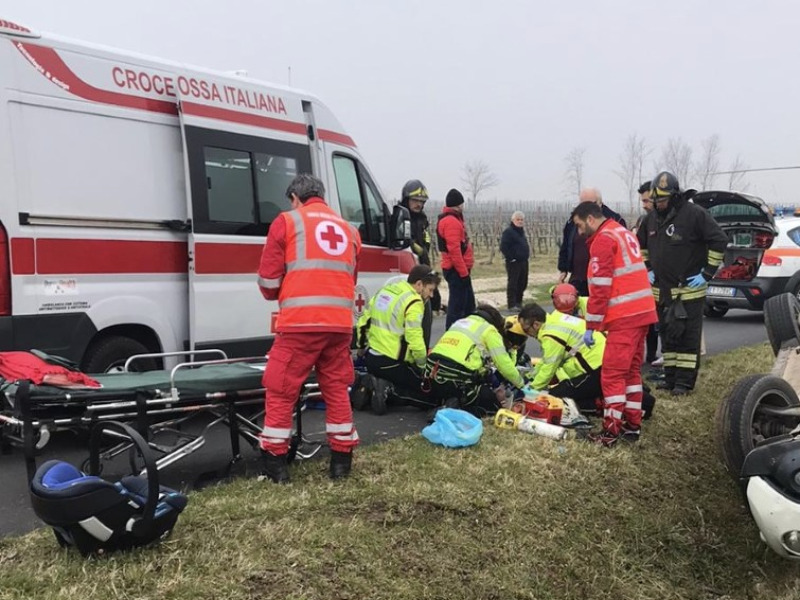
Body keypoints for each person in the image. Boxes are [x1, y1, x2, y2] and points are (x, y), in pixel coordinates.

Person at [256, 173, 361, 483]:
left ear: (294, 198)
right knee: (336, 389)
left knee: (281, 389)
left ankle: (276, 462)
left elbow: (268, 282)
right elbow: (348, 278)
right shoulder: (349, 230)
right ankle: (341, 461)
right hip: (340, 325)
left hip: (300, 323)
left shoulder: (287, 222)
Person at [572, 201, 657, 446]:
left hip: (624, 317)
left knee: (611, 375)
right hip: (642, 313)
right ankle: (632, 426)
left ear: (590, 219)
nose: (579, 232)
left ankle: (611, 431)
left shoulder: (603, 240)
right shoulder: (623, 233)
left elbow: (600, 288)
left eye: (579, 226)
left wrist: (591, 326)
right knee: (631, 374)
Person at [636, 171, 728, 395]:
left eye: (663, 200)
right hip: (662, 292)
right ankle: (670, 379)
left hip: (689, 292)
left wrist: (706, 274)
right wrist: (648, 268)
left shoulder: (694, 215)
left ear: (675, 196)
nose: (658, 205)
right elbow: (641, 245)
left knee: (687, 339)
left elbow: (719, 240)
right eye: (655, 201)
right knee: (667, 338)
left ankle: (684, 384)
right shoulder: (651, 218)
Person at [356, 265, 441, 410]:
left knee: (406, 380)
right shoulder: (414, 302)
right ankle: (388, 391)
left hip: (372, 358)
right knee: (430, 395)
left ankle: (372, 384)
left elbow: (363, 322)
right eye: (430, 290)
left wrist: (361, 348)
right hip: (392, 362)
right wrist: (422, 368)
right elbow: (415, 340)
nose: (431, 296)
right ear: (419, 284)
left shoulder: (387, 290)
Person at [424, 303, 526, 416]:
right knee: (492, 406)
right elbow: (505, 365)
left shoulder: (461, 322)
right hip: (454, 378)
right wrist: (522, 385)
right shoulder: (490, 331)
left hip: (431, 374)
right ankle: (456, 407)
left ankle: (447, 402)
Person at [517, 303, 605, 414]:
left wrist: (531, 391)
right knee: (564, 388)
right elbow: (546, 359)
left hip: (597, 369)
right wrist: (531, 376)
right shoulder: (555, 318)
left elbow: (549, 368)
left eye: (526, 330)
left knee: (554, 398)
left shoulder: (550, 335)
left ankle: (598, 403)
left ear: (536, 325)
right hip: (602, 360)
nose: (527, 334)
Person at [558, 188, 626, 296]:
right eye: (582, 204)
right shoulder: (572, 221)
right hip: (578, 276)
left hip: (602, 277)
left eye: (589, 204)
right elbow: (566, 245)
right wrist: (563, 269)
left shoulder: (615, 220)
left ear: (599, 202)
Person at [400, 180, 442, 331]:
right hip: (407, 268)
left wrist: (424, 248)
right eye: (415, 200)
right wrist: (412, 245)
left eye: (421, 201)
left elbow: (426, 239)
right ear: (407, 199)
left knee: (426, 313)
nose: (418, 204)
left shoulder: (422, 219)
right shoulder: (401, 217)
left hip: (422, 264)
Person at [437, 188, 475, 328]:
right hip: (457, 270)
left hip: (459, 269)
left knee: (468, 306)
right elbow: (454, 250)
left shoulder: (453, 219)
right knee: (457, 308)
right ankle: (452, 335)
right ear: (458, 205)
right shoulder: (451, 222)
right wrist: (463, 273)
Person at [632, 181, 661, 366]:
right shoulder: (644, 221)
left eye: (647, 200)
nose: (644, 205)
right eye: (642, 201)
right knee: (646, 320)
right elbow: (639, 247)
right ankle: (646, 356)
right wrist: (647, 269)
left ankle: (653, 355)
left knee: (658, 320)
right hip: (646, 278)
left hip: (665, 279)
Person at [500, 211, 530, 311]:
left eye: (521, 220)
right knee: (513, 283)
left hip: (523, 261)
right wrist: (511, 258)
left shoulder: (521, 232)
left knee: (522, 282)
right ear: (513, 220)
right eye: (518, 219)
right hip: (514, 262)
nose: (520, 221)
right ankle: (512, 304)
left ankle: (518, 302)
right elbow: (504, 246)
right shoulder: (509, 232)